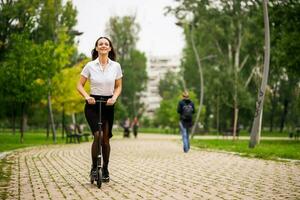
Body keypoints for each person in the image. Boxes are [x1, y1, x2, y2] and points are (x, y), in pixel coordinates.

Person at [77, 36, 122, 182]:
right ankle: (94, 168)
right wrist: (86, 96)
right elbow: (79, 85)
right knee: (98, 135)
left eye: (106, 44)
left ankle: (106, 168)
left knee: (105, 141)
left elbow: (118, 86)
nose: (103, 46)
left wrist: (114, 98)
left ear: (109, 48)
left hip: (108, 104)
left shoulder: (116, 66)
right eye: (100, 44)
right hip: (93, 104)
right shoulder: (90, 66)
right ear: (97, 48)